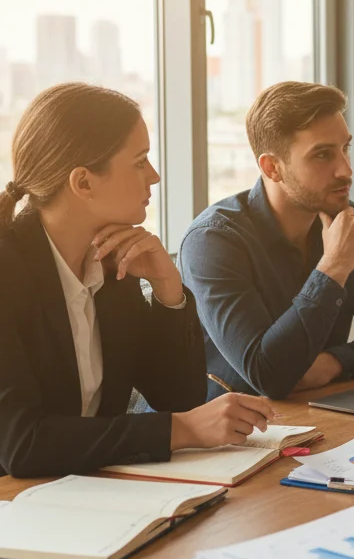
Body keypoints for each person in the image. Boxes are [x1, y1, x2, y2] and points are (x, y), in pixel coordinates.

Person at [0, 83, 275, 478]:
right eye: (140, 161)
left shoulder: (113, 262)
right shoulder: (8, 271)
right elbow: (23, 444)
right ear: (84, 183)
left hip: (85, 490)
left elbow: (177, 398)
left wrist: (168, 290)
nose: (155, 176)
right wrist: (181, 430)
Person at [179, 81, 354, 400]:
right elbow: (268, 376)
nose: (345, 170)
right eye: (322, 155)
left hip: (316, 415)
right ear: (272, 167)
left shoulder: (344, 219)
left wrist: (335, 362)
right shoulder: (212, 241)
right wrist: (333, 266)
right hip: (233, 438)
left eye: (345, 148)